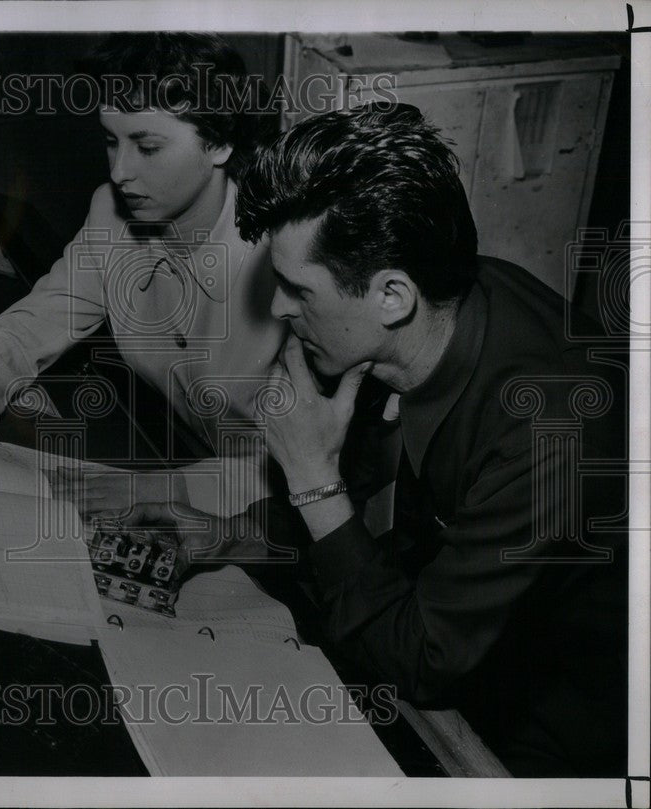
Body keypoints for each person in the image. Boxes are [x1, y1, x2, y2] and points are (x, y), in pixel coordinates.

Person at [119, 104, 628, 777]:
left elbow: (423, 661)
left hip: (575, 704)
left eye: (300, 290)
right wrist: (224, 534)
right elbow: (364, 505)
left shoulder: (548, 426)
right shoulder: (402, 338)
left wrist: (311, 474)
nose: (277, 310)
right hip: (463, 628)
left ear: (391, 295)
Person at [0, 33, 283, 514]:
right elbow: (44, 316)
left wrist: (162, 491)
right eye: (110, 141)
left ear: (220, 143)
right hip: (176, 453)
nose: (120, 171)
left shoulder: (286, 262)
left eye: (147, 147)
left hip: (281, 514)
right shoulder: (113, 212)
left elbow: (302, 466)